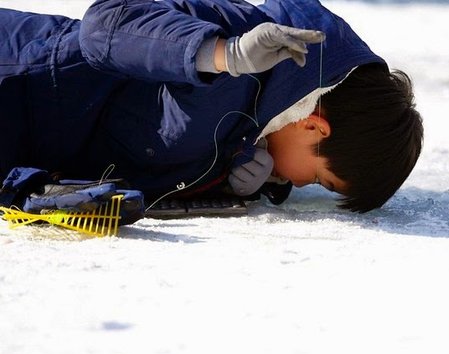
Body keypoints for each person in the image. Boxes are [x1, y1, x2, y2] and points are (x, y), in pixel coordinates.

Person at [0, 0, 423, 214]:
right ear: (315, 128)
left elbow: (154, 152)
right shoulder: (244, 34)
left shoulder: (258, 132)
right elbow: (105, 25)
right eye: (320, 179)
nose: (302, 185)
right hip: (16, 79)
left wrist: (232, 179)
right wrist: (221, 53)